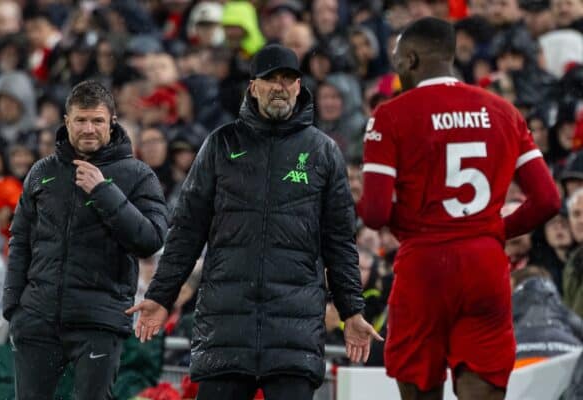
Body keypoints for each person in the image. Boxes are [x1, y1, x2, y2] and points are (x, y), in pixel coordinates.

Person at [127, 44, 382, 400]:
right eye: (271, 79)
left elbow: (339, 241)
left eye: (288, 79)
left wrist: (352, 311)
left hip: (293, 336)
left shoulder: (323, 152)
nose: (280, 87)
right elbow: (187, 231)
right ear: (253, 86)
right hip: (226, 330)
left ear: (298, 87)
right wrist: (160, 296)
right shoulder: (220, 145)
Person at [358, 18, 561, 400]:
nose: (397, 69)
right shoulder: (503, 111)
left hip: (425, 266)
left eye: (399, 61)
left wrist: (424, 228)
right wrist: (494, 231)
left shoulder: (391, 115)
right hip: (484, 263)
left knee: (420, 387)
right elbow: (549, 200)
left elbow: (374, 212)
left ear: (412, 59)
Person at [2, 80, 168, 400]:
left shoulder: (138, 174)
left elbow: (150, 240)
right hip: (38, 319)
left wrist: (104, 190)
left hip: (99, 321)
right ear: (66, 122)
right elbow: (20, 239)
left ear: (112, 123)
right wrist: (14, 308)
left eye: (97, 120)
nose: (89, 129)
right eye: (81, 120)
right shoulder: (41, 172)